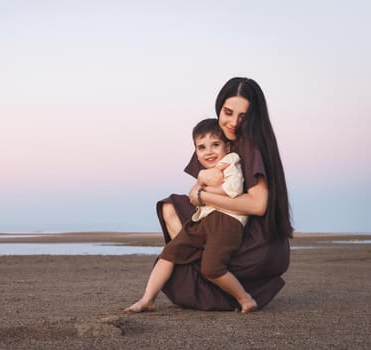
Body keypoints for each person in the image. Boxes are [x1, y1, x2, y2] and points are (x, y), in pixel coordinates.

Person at [156, 77, 293, 311]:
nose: (233, 123)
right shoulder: (216, 138)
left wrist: (202, 196)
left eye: (243, 116)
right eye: (228, 112)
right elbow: (209, 182)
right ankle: (207, 270)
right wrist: (202, 193)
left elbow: (259, 204)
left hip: (256, 240)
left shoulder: (250, 144)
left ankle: (208, 275)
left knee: (178, 212)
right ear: (219, 106)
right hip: (236, 226)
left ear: (253, 118)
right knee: (171, 206)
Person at [125, 118, 257, 314]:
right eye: (201, 147)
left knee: (212, 268)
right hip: (202, 221)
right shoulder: (207, 171)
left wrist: (204, 191)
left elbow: (233, 189)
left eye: (215, 144)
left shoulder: (230, 161)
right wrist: (201, 185)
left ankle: (244, 298)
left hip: (226, 221)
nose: (209, 151)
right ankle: (148, 299)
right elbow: (195, 195)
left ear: (227, 147)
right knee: (167, 255)